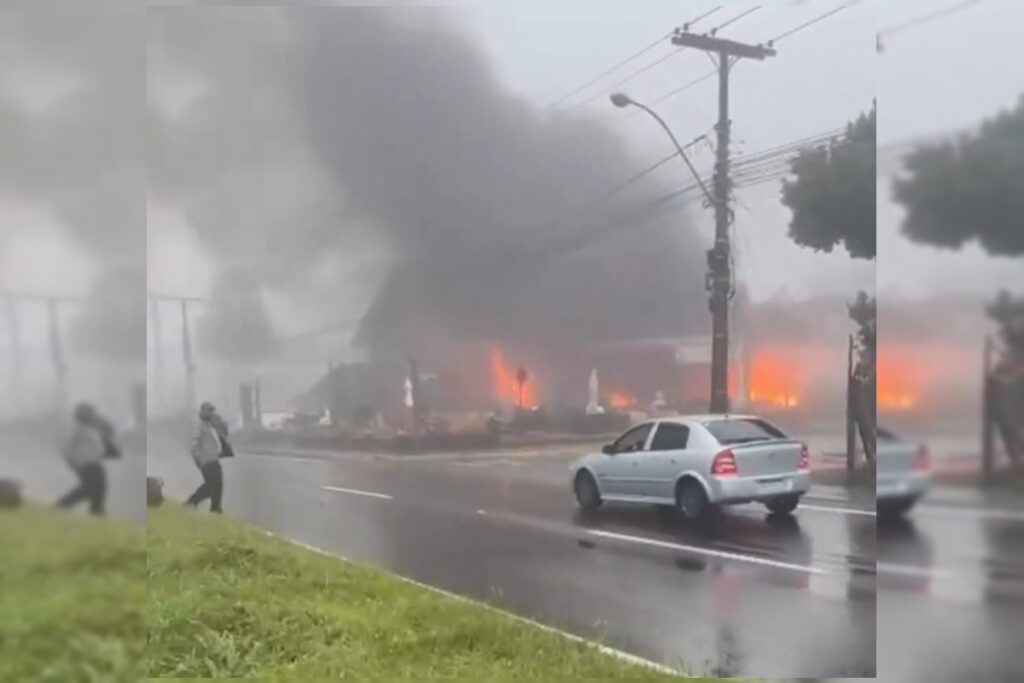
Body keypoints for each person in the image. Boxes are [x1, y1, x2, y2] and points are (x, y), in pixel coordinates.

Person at [56, 402, 110, 516]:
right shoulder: (77, 429)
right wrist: (72, 462)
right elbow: (67, 447)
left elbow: (97, 446)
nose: (93, 416)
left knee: (100, 488)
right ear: (83, 415)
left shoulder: (89, 429)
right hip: (85, 464)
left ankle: (96, 511)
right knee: (89, 488)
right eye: (90, 414)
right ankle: (61, 505)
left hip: (94, 463)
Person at [186, 402, 224, 513]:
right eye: (210, 410)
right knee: (211, 485)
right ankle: (192, 502)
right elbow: (194, 444)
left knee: (218, 485)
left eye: (212, 411)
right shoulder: (199, 426)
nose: (212, 413)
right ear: (203, 412)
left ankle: (216, 509)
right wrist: (198, 459)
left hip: (214, 459)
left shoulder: (210, 426)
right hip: (206, 461)